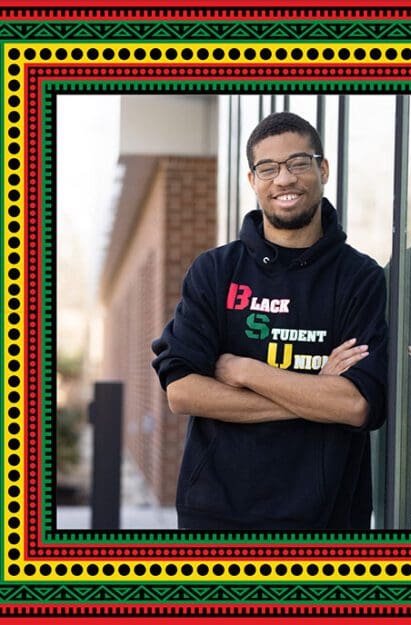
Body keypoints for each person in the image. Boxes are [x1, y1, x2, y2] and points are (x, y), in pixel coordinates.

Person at [152, 111, 388, 531]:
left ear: (323, 169)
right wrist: (315, 395)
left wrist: (246, 370)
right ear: (252, 181)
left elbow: (354, 405)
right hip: (216, 515)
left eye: (298, 163)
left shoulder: (360, 277)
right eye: (269, 168)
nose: (284, 179)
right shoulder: (215, 271)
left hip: (327, 518)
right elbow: (184, 392)